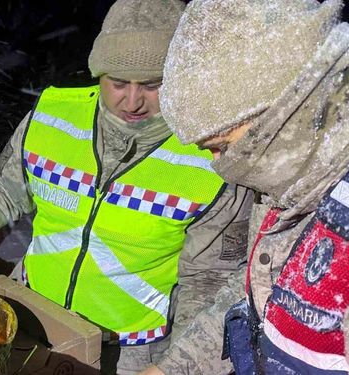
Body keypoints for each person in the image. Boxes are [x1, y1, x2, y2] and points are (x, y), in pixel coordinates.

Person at [0, 0, 253, 373]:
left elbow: (207, 283)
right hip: (33, 319)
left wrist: (174, 365)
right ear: (98, 73)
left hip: (132, 351)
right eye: (117, 83)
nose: (132, 101)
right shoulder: (53, 116)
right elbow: (1, 188)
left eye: (152, 85)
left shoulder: (210, 155)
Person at [145, 0, 349, 374]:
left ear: (286, 116)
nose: (223, 170)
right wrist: (171, 369)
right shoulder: (291, 182)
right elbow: (258, 293)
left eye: (223, 147)